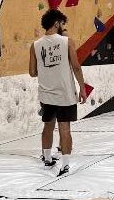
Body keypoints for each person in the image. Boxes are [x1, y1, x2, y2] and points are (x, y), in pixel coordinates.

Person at [29, 9, 87, 177]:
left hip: (46, 94)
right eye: (62, 23)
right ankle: (66, 165)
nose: (63, 26)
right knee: (65, 128)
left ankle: (47, 159)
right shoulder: (67, 42)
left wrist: (48, 70)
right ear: (56, 23)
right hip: (65, 94)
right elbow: (76, 66)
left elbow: (32, 72)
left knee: (48, 126)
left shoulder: (35, 45)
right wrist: (82, 88)